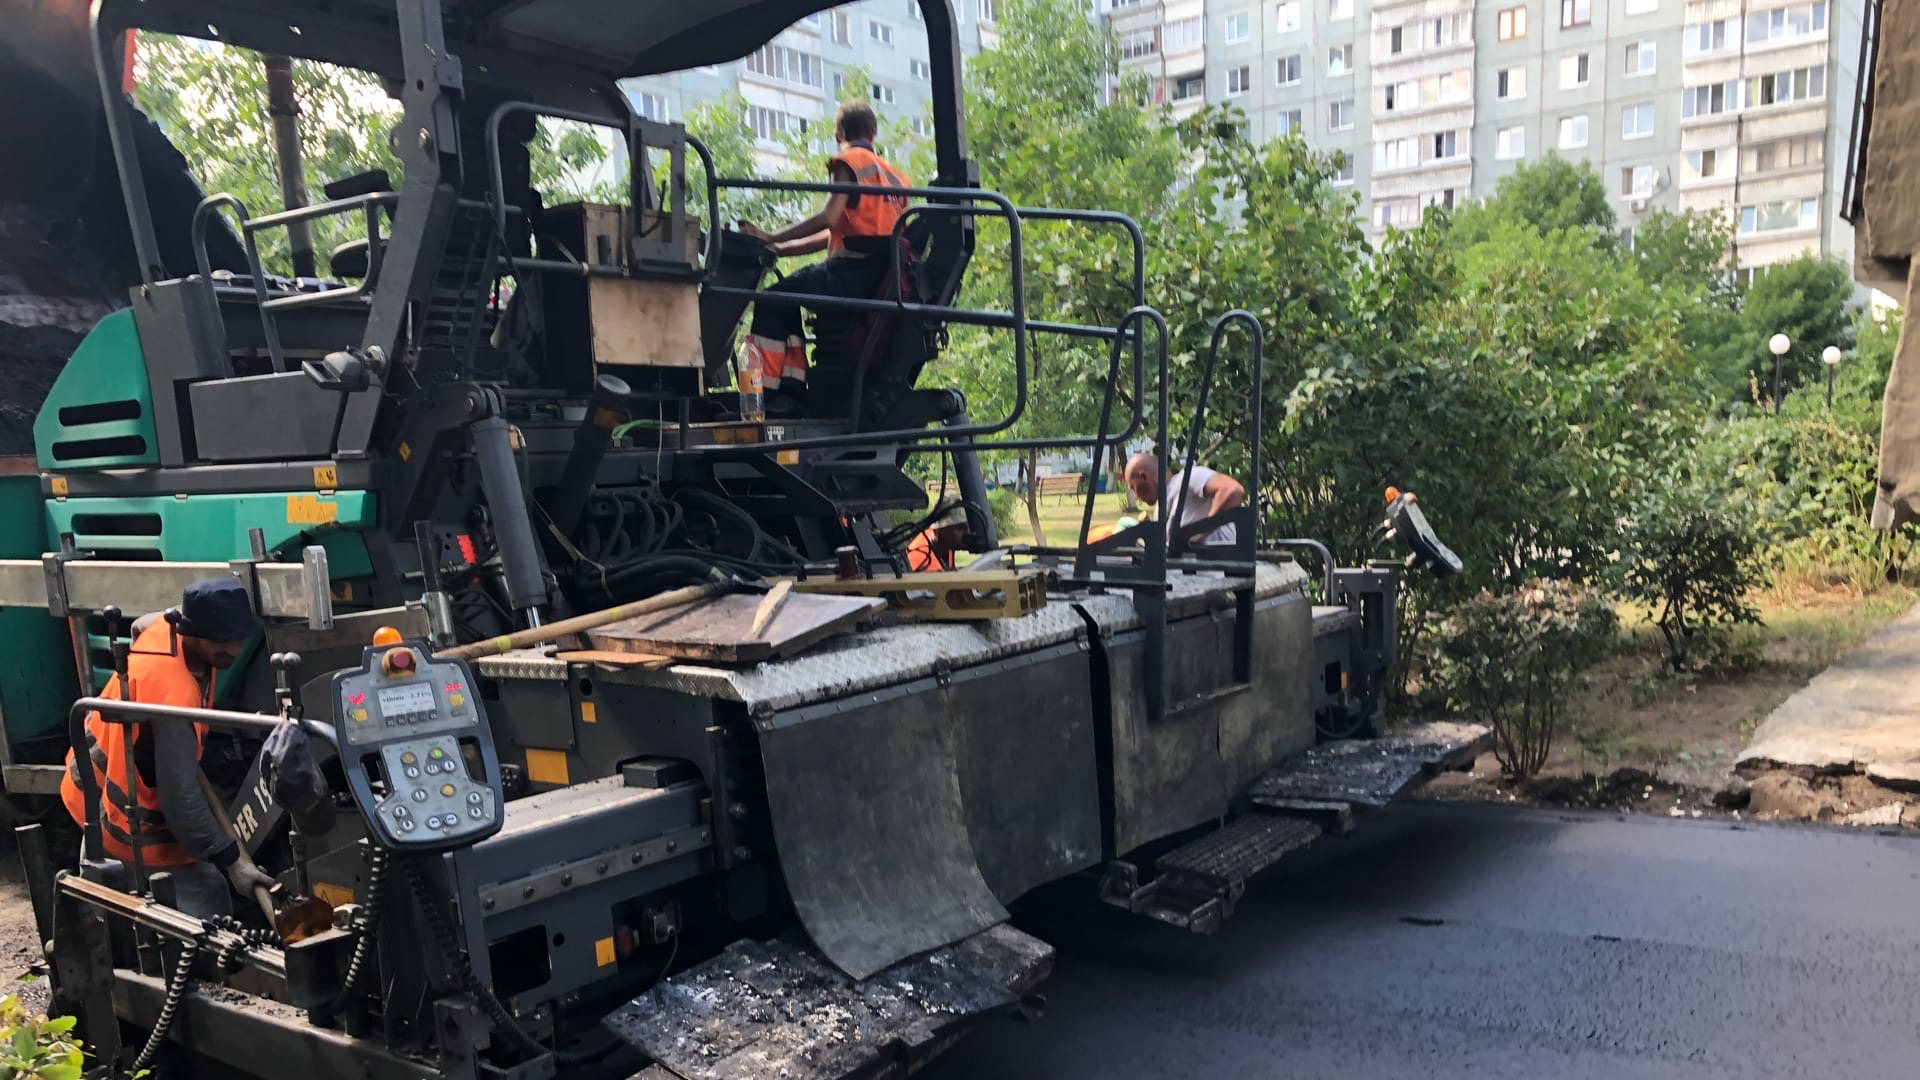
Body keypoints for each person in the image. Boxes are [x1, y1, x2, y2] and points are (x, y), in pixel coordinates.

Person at [60, 578, 274, 918]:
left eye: (237, 638)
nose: (232, 649)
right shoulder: (173, 692)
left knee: (106, 908)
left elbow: (142, 624)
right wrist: (233, 863)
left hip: (93, 792)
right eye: (220, 640)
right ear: (191, 631)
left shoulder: (168, 628)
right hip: (117, 816)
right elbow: (181, 800)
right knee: (209, 895)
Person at [737, 100, 910, 402]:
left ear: (838, 134)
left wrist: (768, 234)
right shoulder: (896, 179)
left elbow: (828, 217)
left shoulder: (848, 162)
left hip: (847, 276)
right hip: (880, 281)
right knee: (787, 296)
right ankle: (790, 386)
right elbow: (838, 231)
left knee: (769, 300)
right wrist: (780, 248)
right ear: (874, 132)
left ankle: (773, 392)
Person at [1124, 452, 1246, 547]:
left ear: (1143, 476)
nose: (1135, 496)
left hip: (1219, 574)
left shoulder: (1188, 477)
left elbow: (1232, 489)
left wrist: (1201, 532)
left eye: (1133, 487)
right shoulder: (1160, 510)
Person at [907, 501, 969, 572]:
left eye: (968, 527)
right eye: (960, 527)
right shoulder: (918, 559)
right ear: (940, 528)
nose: (967, 532)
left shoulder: (947, 543)